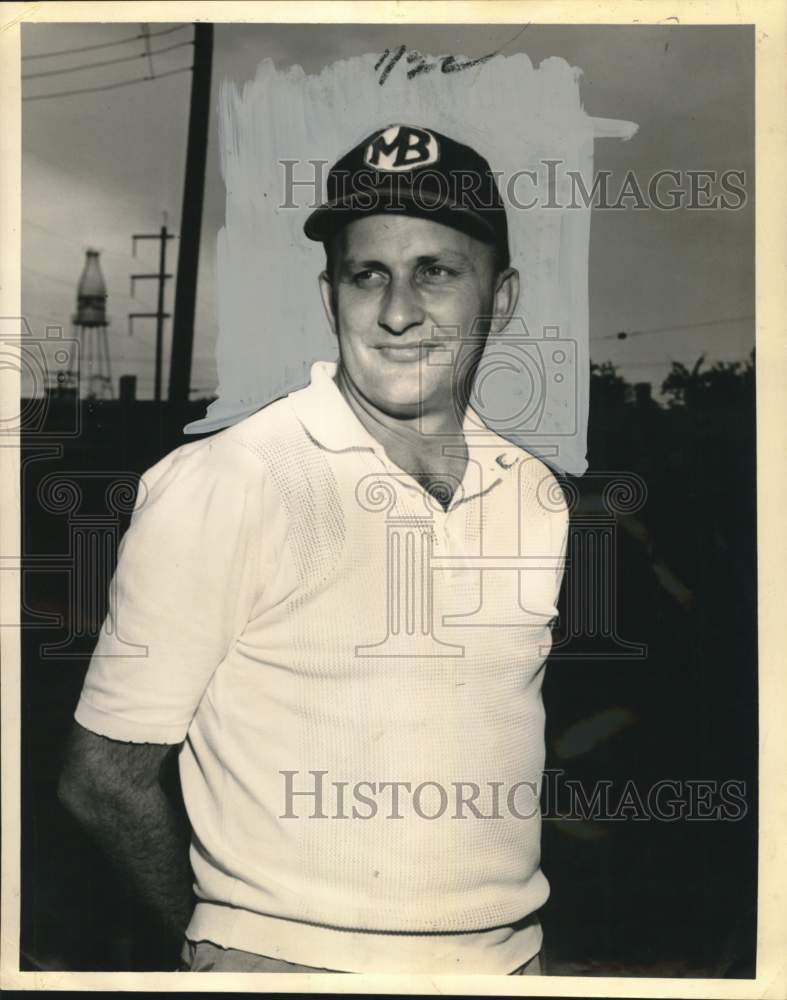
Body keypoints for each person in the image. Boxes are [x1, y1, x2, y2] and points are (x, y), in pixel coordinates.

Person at [58, 124, 570, 975]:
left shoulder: (534, 492)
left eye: (435, 272)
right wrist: (214, 947)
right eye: (367, 274)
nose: (398, 312)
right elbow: (101, 776)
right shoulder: (230, 478)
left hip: (510, 962)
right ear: (330, 295)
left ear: (501, 296)